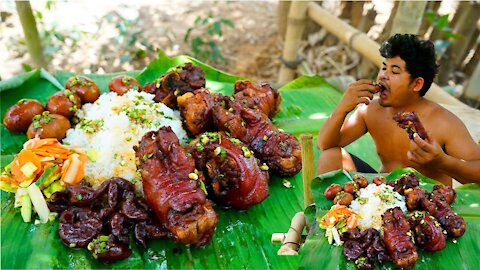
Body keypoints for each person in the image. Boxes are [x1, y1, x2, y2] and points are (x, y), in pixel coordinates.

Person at [316, 34, 480, 186]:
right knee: (331, 157)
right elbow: (325, 145)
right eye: (384, 67)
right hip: (382, 196)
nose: (383, 76)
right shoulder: (370, 110)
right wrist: (341, 109)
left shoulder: (443, 122)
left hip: (426, 204)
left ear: (417, 84)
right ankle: (327, 217)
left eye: (394, 71)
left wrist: (442, 162)